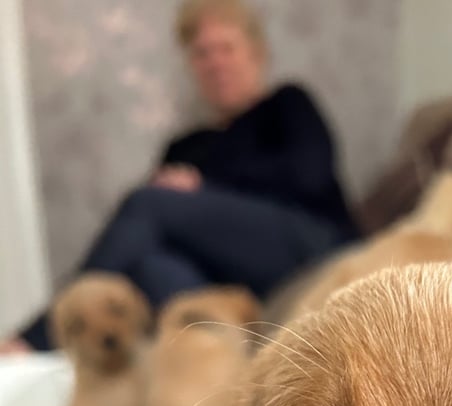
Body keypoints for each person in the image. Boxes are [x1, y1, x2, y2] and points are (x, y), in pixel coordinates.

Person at [7, 0, 357, 353]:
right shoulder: (186, 146)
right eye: (203, 53)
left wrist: (203, 186)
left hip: (308, 243)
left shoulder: (287, 105)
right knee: (149, 265)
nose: (216, 62)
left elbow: (309, 176)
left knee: (147, 203)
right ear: (191, 65)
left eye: (226, 48)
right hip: (229, 283)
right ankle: (220, 351)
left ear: (256, 53)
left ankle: (40, 337)